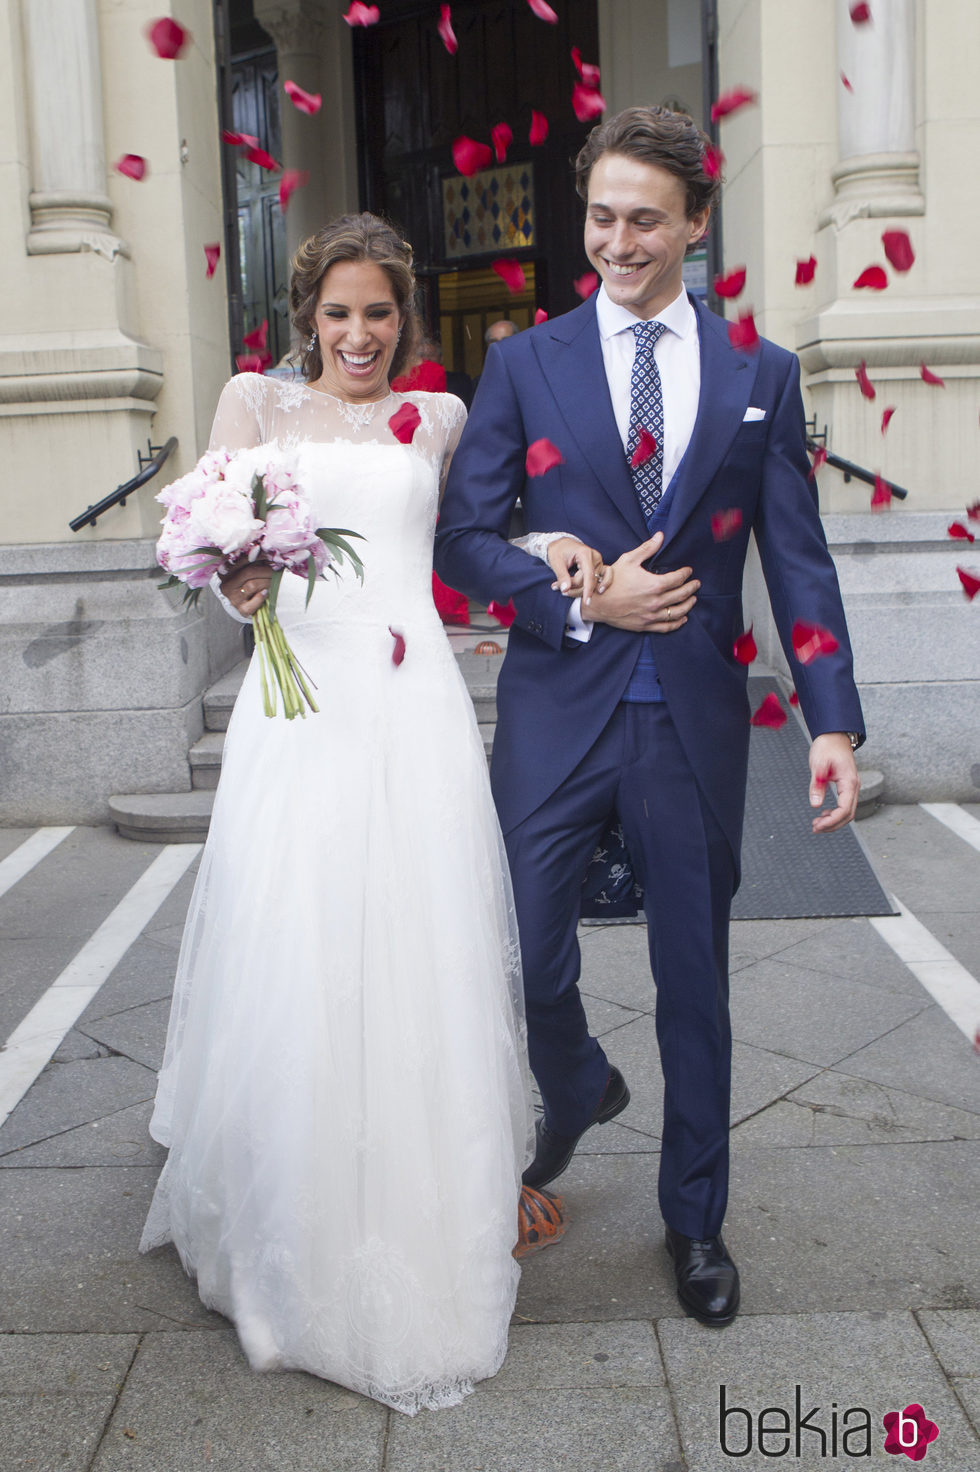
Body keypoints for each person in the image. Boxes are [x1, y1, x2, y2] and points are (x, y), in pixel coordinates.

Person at [434, 107, 865, 1328]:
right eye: (598, 216)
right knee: (519, 946)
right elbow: (463, 539)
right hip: (554, 707)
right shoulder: (524, 361)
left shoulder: (758, 376)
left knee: (694, 978)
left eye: (640, 218)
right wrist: (573, 581)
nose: (615, 240)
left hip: (689, 720)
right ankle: (573, 1086)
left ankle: (693, 1216)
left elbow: (798, 558)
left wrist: (828, 717)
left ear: (690, 223)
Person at [140, 213, 552, 1414]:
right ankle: (290, 1211)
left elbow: (472, 543)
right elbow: (217, 568)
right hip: (301, 701)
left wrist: (562, 555)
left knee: (416, 938)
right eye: (337, 313)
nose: (359, 334)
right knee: (299, 938)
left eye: (378, 313)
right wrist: (241, 582)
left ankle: (429, 1189)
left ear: (402, 317)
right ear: (306, 317)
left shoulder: (442, 418)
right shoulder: (253, 409)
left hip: (410, 691)